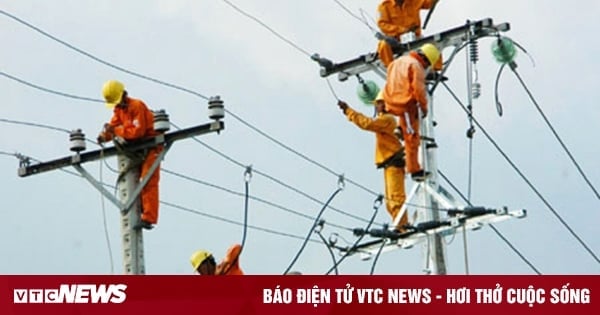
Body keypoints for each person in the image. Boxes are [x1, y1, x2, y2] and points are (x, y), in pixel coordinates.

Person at [337, 92, 409, 231]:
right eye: (377, 103)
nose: (377, 106)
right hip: (389, 164)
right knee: (391, 200)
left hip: (394, 163)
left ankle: (402, 226)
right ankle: (399, 224)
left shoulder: (388, 119)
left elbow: (367, 124)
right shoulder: (386, 120)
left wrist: (348, 111)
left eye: (380, 103)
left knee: (395, 197)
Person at [97, 80, 162, 230]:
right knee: (135, 183)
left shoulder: (136, 106)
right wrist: (104, 136)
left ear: (123, 95)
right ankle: (139, 211)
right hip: (139, 149)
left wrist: (115, 131)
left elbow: (136, 132)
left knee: (148, 180)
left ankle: (149, 217)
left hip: (152, 146)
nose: (117, 106)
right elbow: (113, 126)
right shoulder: (119, 110)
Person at [382, 43, 440, 182]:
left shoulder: (398, 61)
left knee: (407, 126)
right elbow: (419, 90)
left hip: (391, 100)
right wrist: (424, 108)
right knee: (412, 138)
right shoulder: (416, 66)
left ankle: (400, 128)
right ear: (425, 60)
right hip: (405, 104)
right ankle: (414, 170)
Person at [376, 0, 440, 68]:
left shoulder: (413, 1)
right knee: (383, 45)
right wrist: (402, 30)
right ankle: (392, 68)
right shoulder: (384, 6)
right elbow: (382, 25)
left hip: (415, 37)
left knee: (434, 43)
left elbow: (429, 3)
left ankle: (433, 70)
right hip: (395, 40)